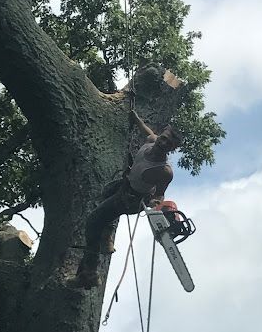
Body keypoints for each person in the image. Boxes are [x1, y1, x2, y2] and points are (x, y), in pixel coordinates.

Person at [71, 110, 183, 289]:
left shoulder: (164, 171)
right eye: (163, 138)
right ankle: (107, 235)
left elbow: (160, 193)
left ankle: (90, 273)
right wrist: (137, 119)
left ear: (172, 149)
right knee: (105, 193)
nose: (163, 143)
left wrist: (155, 201)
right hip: (125, 185)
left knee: (93, 222)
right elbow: (148, 132)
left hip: (131, 199)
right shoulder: (152, 141)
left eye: (168, 144)